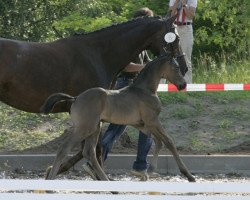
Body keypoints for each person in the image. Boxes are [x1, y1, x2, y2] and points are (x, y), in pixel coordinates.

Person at [83, 7, 156, 181]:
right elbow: (126, 66)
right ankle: (136, 166)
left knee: (126, 129)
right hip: (127, 87)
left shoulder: (141, 44)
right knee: (136, 127)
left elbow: (146, 65)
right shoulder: (129, 43)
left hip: (135, 90)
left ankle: (103, 164)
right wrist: (147, 67)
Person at [169, 0, 197, 83]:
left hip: (186, 28)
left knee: (186, 57)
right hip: (174, 27)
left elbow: (191, 15)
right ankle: (164, 86)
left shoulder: (192, 0)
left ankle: (188, 85)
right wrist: (176, 3)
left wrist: (184, 4)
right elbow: (171, 14)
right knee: (169, 55)